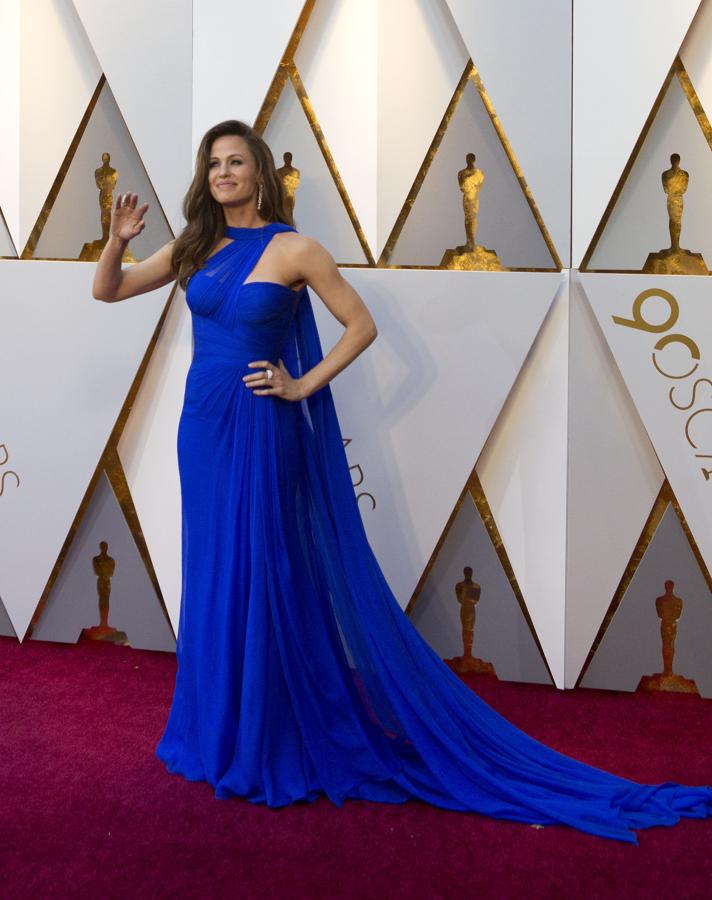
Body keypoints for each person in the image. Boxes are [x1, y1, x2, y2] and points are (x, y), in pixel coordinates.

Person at [92, 120, 712, 845]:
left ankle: (269, 729)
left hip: (263, 428)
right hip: (202, 429)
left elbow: (360, 326)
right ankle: (221, 725)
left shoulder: (296, 249)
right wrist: (117, 239)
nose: (224, 173)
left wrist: (301, 386)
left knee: (266, 569)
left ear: (259, 174)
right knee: (215, 570)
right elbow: (110, 292)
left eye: (236, 162)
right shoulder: (196, 247)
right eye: (214, 165)